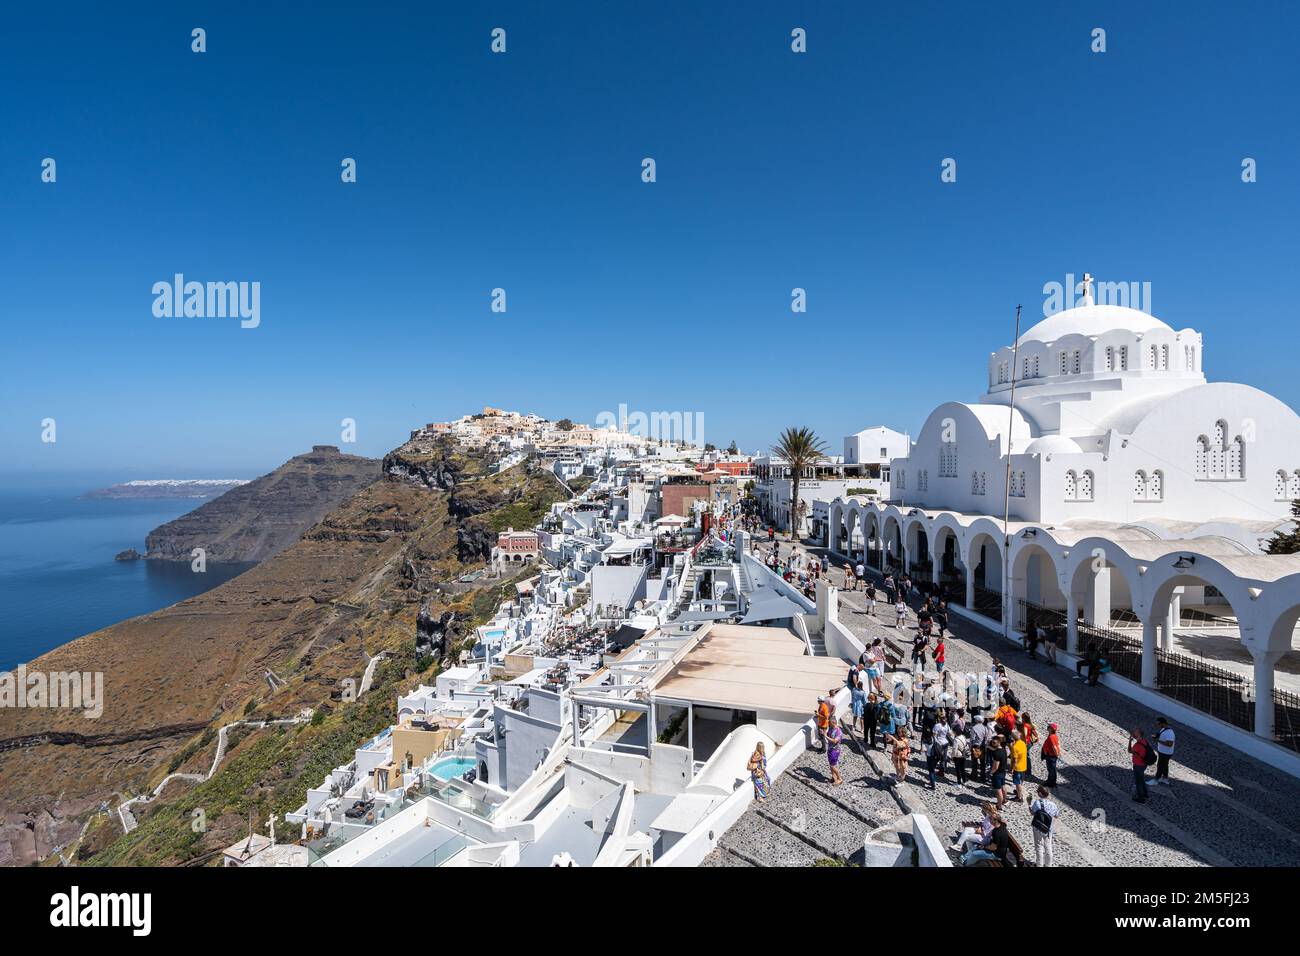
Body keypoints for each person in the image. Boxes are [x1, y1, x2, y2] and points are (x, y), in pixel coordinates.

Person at [1028, 785, 1059, 867]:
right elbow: (1056, 816)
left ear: (1041, 793)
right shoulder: (1053, 805)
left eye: (1038, 792)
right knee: (1048, 847)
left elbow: (1032, 813)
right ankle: (1048, 865)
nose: (1037, 794)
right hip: (1048, 829)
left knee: (1039, 846)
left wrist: (1029, 804)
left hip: (1038, 827)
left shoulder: (1037, 803)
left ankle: (1039, 865)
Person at [1129, 728, 1154, 802]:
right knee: (1142, 780)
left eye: (1135, 732)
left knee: (1138, 782)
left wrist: (1130, 741)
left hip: (1138, 765)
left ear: (1139, 734)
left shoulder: (1137, 745)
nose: (1133, 733)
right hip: (1144, 764)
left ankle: (1141, 798)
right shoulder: (1144, 741)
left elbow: (1129, 750)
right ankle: (1146, 795)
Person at [988, 734, 1009, 809]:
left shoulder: (996, 754)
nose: (993, 744)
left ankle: (999, 805)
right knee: (1003, 786)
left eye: (994, 743)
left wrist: (991, 772)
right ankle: (1005, 800)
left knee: (998, 790)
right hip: (1003, 771)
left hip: (997, 773)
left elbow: (995, 766)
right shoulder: (1003, 749)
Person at [1154, 717, 1176, 786]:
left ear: (1163, 723)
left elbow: (1170, 744)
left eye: (1158, 724)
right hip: (1162, 751)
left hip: (1166, 753)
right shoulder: (1163, 729)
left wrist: (1158, 741)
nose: (1157, 725)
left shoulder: (1170, 733)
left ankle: (1157, 778)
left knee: (1160, 765)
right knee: (1164, 765)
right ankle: (1165, 778)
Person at [969, 713, 991, 783]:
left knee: (974, 762)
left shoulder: (974, 728)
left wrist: (970, 747)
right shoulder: (985, 728)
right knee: (982, 763)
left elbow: (972, 739)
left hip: (975, 746)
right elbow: (987, 737)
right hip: (982, 746)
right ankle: (983, 777)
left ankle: (974, 776)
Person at [1041, 722, 1062, 788]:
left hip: (1051, 756)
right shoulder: (1054, 735)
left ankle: (1051, 783)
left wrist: (1057, 755)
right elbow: (1058, 744)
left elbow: (1054, 746)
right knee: (1052, 769)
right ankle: (1051, 781)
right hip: (1051, 755)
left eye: (1049, 727)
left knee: (1051, 770)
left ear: (1051, 729)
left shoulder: (1051, 737)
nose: (1048, 727)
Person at [1009, 730, 1028, 802]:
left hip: (1017, 768)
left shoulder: (1015, 747)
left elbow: (1015, 760)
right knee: (1020, 781)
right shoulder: (1023, 743)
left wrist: (1012, 769)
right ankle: (1018, 792)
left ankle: (1019, 797)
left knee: (1017, 783)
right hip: (1023, 766)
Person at [1020, 711, 1039, 779]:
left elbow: (1024, 734)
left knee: (1025, 756)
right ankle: (1028, 771)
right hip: (1030, 743)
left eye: (1022, 717)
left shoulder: (1025, 725)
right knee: (1027, 756)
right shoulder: (1030, 724)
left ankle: (1027, 771)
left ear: (1024, 718)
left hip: (1026, 743)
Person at [826, 720, 844, 786]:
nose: (829, 724)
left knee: (833, 766)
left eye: (830, 723)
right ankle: (834, 778)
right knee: (831, 765)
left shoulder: (838, 731)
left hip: (835, 750)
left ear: (834, 723)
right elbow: (828, 734)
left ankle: (839, 778)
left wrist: (825, 736)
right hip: (830, 749)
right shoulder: (831, 728)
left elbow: (834, 741)